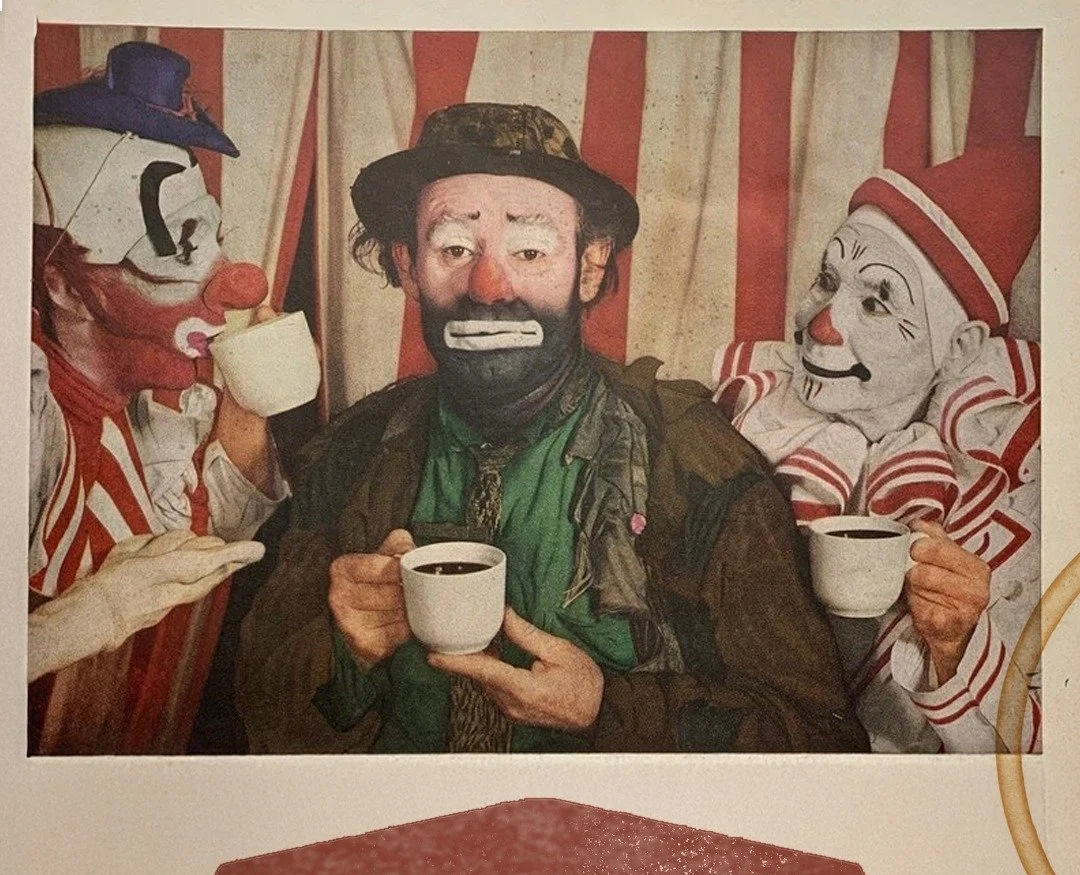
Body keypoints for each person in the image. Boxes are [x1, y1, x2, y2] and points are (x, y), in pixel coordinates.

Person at [236, 102, 866, 754]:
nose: (486, 287)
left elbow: (820, 736)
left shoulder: (694, 461)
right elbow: (260, 719)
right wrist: (345, 649)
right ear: (406, 267)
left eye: (530, 250)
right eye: (453, 248)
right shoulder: (354, 452)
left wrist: (610, 709)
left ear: (589, 268)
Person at [714, 142, 1041, 752]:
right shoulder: (738, 415)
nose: (820, 326)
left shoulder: (1026, 490)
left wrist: (955, 650)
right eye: (826, 280)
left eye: (875, 301)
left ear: (963, 347)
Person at [30, 41, 289, 752]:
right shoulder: (23, 420)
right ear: (62, 283)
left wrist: (248, 398)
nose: (231, 281)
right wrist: (96, 611)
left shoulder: (155, 401)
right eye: (179, 249)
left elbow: (211, 546)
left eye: (213, 242)